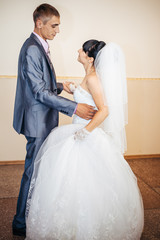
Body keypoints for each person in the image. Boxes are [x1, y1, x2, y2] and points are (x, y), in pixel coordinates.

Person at [25, 40, 144, 240]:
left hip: (84, 132)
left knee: (80, 180)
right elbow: (88, 98)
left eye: (82, 48)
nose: (78, 50)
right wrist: (74, 89)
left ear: (89, 57)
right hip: (78, 128)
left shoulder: (93, 79)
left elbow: (104, 110)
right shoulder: (88, 77)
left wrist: (85, 132)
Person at [12, 4, 96, 237]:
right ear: (39, 23)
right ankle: (20, 223)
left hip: (42, 117)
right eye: (54, 25)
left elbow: (42, 84)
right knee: (33, 171)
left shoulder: (40, 46)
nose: (58, 30)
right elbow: (39, 92)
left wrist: (61, 86)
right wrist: (75, 107)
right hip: (37, 121)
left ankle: (31, 215)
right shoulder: (32, 49)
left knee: (40, 170)